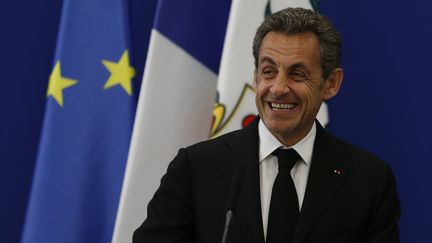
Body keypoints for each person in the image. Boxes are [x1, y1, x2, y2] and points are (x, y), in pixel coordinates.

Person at [133, 7, 400, 243]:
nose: (279, 88)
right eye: (268, 71)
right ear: (256, 76)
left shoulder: (369, 180)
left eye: (297, 73)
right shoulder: (195, 168)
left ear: (331, 83)